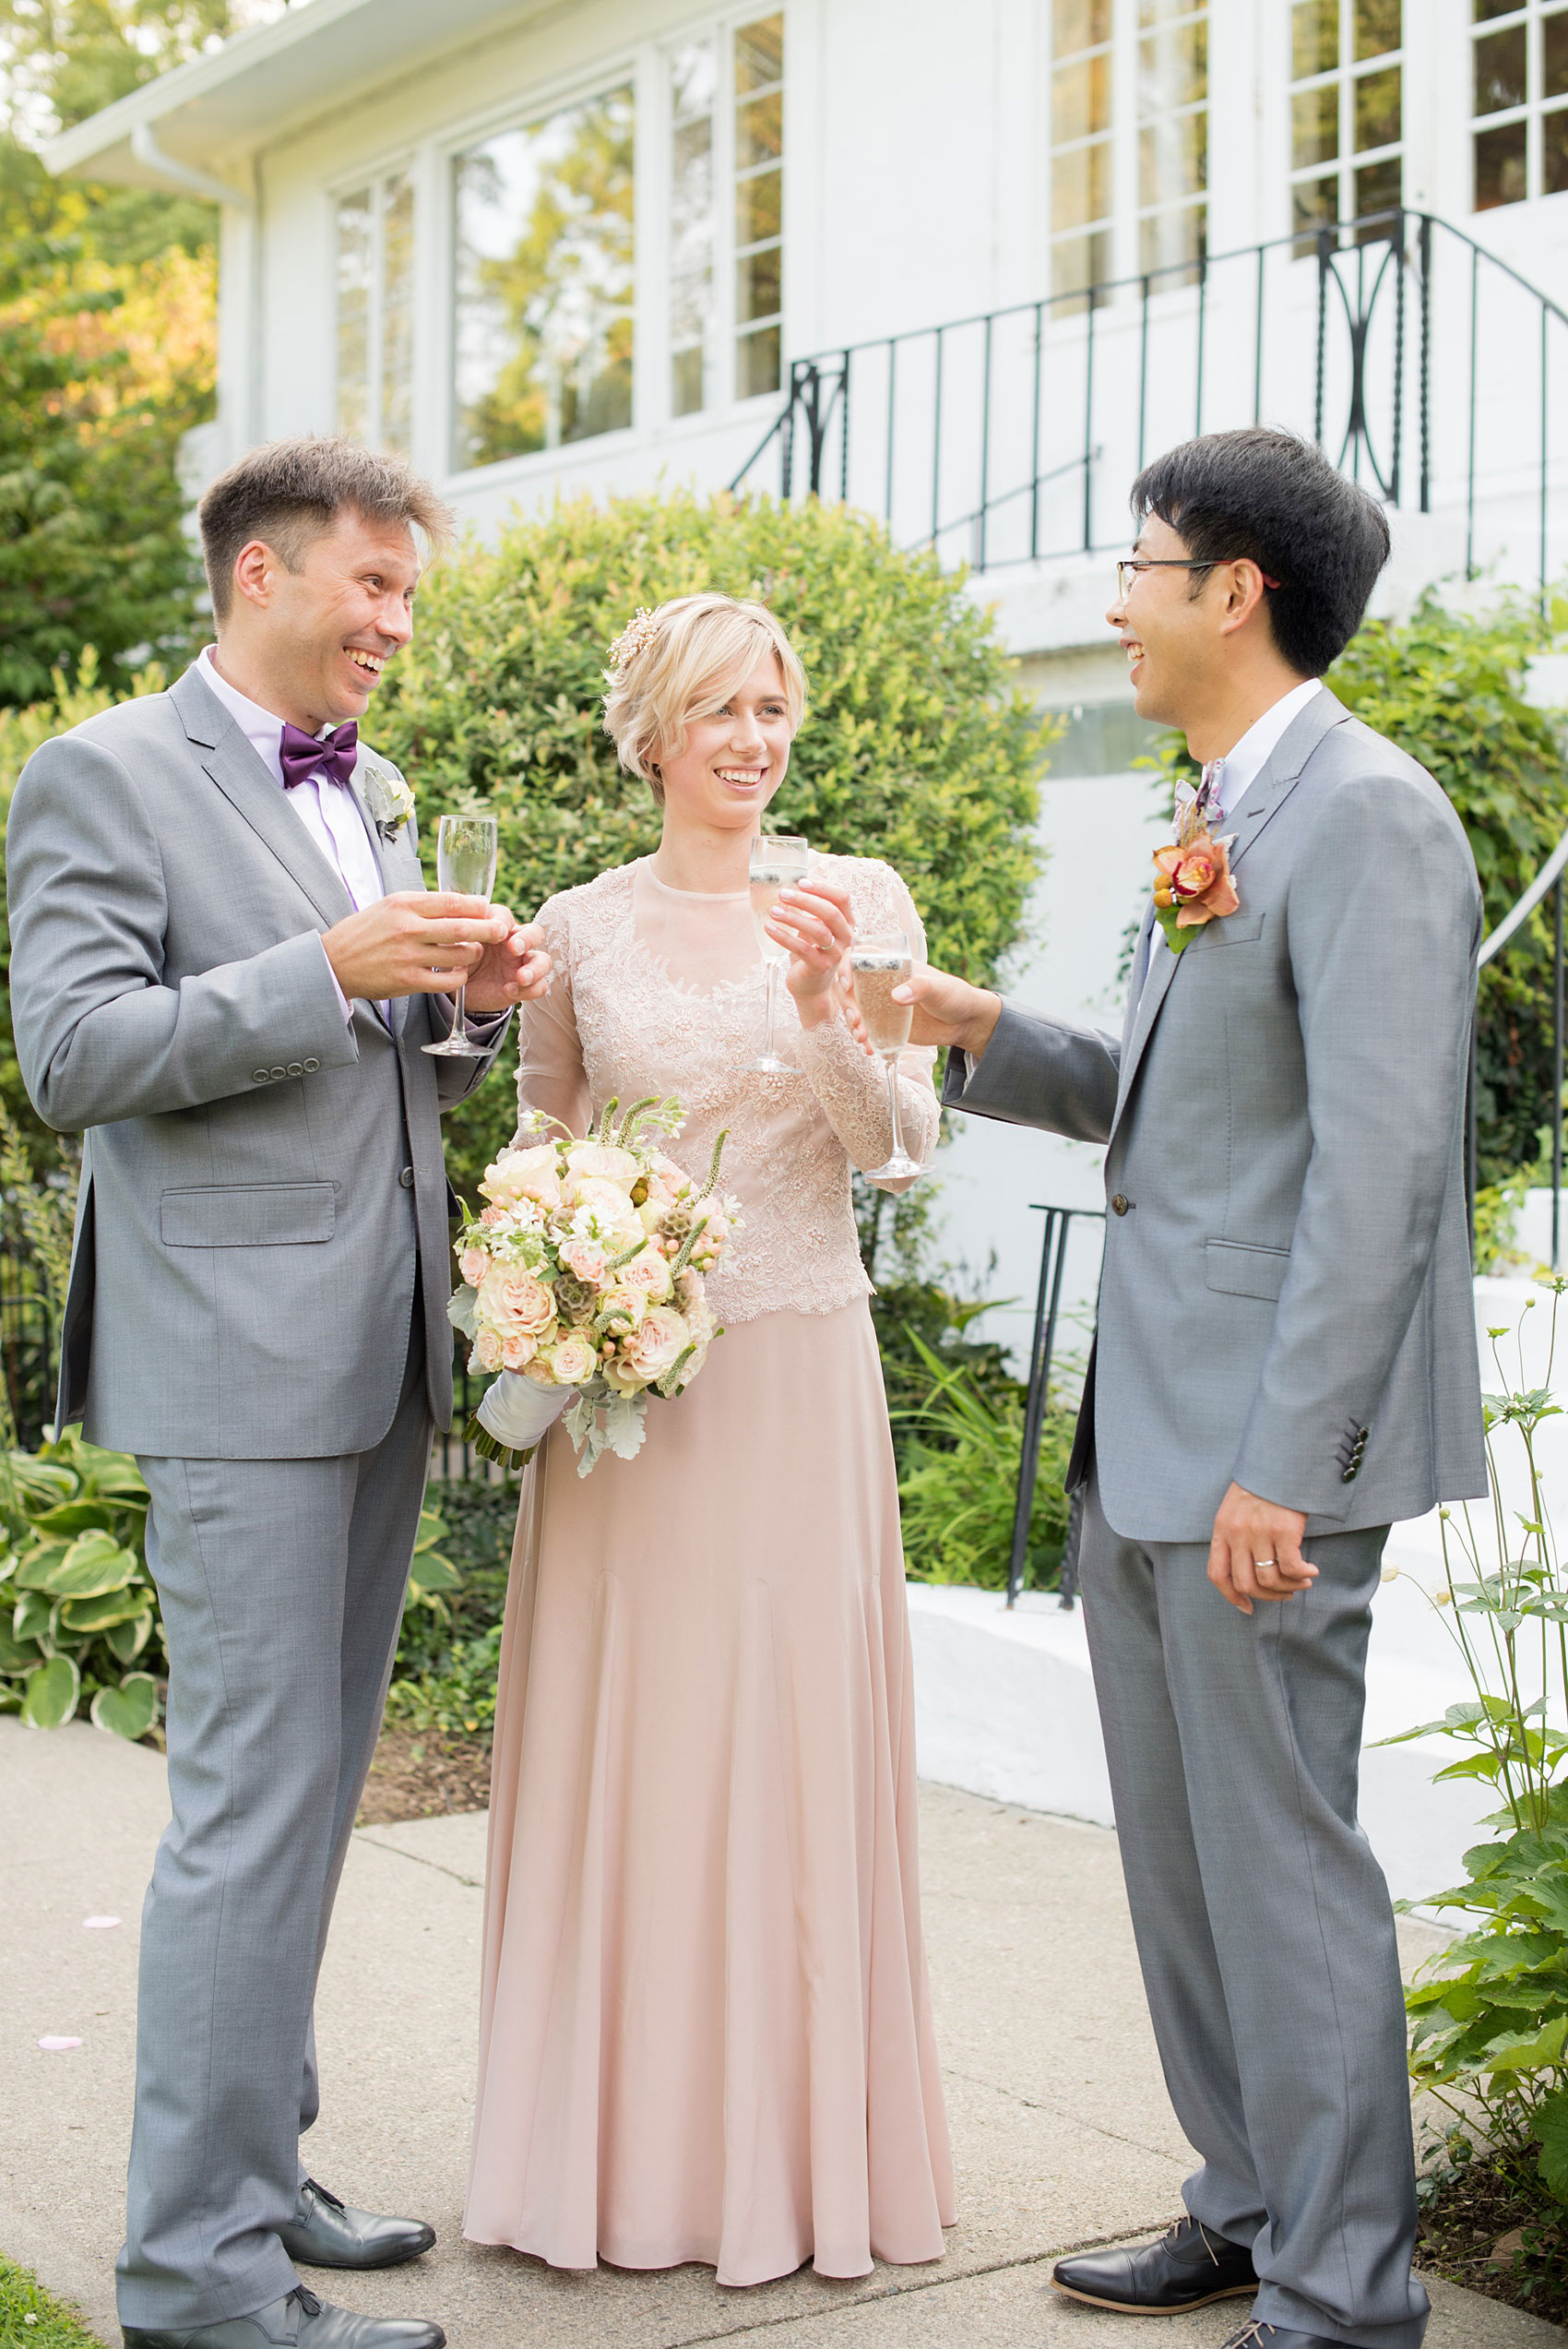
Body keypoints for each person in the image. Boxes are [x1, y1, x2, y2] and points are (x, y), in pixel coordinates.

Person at [895, 428, 1484, 2349]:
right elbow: (1190, 1116)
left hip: (1259, 1458)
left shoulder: (1369, 813)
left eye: (1138, 565)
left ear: (1234, 589)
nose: (1114, 598)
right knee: (1179, 1865)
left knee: (1284, 1869)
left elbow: (1377, 1173)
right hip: (1141, 1434)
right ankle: (1242, 2202)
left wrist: (1286, 1473)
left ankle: (1343, 2293)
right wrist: (977, 1032)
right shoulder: (1223, 799)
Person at [6, 437, 550, 2349]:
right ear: (260, 575)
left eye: (410, 590)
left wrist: (466, 1002)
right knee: (249, 1810)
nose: (397, 624)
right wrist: (323, 965)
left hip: (377, 1355)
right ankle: (195, 2277)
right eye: (372, 587)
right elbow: (73, 1054)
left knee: (310, 1802)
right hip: (233, 1368)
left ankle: (262, 2166)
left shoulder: (373, 789)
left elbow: (385, 1078)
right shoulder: (99, 775)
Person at [464, 592, 956, 2286]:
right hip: (623, 1414)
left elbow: (905, 1147)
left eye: (772, 707)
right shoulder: (579, 925)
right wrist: (545, 1277)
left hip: (796, 1381)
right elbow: (545, 1134)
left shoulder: (854, 900)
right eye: (717, 708)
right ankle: (609, 2162)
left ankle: (796, 2163)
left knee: (782, 1756)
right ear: (653, 732)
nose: (751, 737)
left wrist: (830, 999)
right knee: (638, 1755)